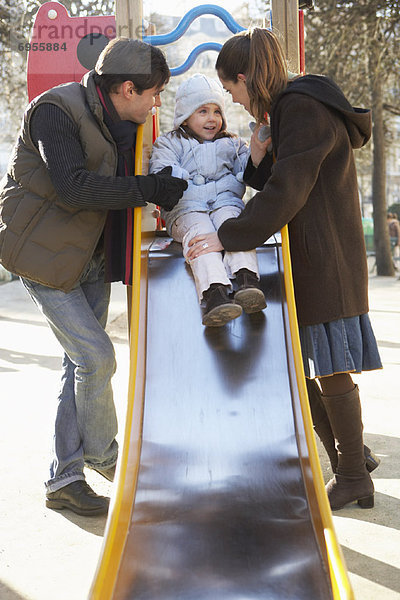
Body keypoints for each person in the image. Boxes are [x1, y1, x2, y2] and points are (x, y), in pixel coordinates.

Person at [187, 28, 383, 510]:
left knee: (330, 365)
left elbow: (291, 187)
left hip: (325, 252)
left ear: (244, 75)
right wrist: (256, 159)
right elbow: (281, 174)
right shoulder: (288, 111)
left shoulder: (299, 105)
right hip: (316, 251)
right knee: (305, 363)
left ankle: (353, 474)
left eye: (231, 90)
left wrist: (228, 236)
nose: (232, 101)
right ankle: (352, 457)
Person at [0, 38, 187, 516]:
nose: (156, 102)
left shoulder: (124, 122)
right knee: (97, 358)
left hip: (90, 256)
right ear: (127, 89)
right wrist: (147, 189)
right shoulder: (55, 111)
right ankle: (105, 457)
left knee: (79, 365)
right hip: (43, 256)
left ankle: (64, 479)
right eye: (154, 93)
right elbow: (74, 186)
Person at [149, 73, 266, 327]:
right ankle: (215, 293)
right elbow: (162, 168)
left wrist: (257, 152)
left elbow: (249, 169)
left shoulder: (232, 143)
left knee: (233, 224)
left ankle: (247, 279)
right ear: (185, 115)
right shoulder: (170, 142)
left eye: (216, 111)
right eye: (202, 111)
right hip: (187, 209)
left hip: (225, 203)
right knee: (200, 235)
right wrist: (173, 175)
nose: (212, 118)